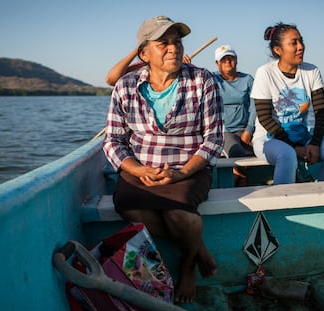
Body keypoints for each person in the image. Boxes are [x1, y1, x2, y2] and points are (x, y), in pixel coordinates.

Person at [103, 15, 224, 304]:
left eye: (177, 42)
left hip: (189, 167)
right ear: (144, 53)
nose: (174, 48)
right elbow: (113, 141)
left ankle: (187, 265)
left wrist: (182, 173)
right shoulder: (126, 86)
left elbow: (214, 139)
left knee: (179, 214)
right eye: (164, 43)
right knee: (130, 207)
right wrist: (137, 168)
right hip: (140, 167)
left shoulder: (202, 80)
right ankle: (199, 248)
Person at [250, 22, 324, 184]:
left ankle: (318, 197)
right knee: (287, 155)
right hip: (268, 138)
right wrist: (295, 148)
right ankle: (282, 206)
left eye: (301, 41)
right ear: (277, 50)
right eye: (293, 42)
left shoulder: (312, 71)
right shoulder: (265, 73)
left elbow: (321, 112)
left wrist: (315, 143)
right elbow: (265, 118)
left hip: (302, 135)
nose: (300, 46)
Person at [213, 45, 256, 186]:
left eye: (230, 58)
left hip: (246, 129)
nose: (228, 62)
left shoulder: (248, 79)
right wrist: (185, 65)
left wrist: (249, 130)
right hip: (225, 131)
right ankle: (242, 180)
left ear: (236, 60)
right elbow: (192, 75)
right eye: (223, 59)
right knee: (237, 151)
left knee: (267, 146)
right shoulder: (212, 79)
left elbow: (255, 106)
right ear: (217, 64)